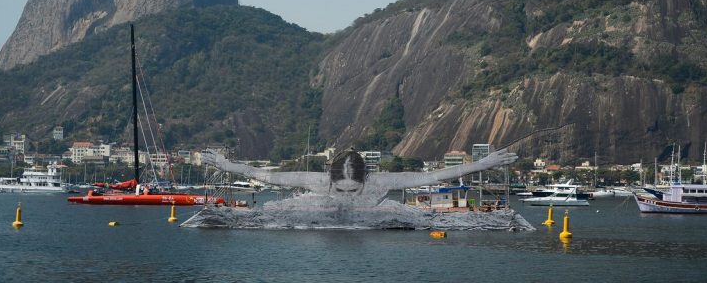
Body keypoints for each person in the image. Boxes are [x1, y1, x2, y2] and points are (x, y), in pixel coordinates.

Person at [201, 147, 518, 204]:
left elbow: (436, 176)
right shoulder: (315, 181)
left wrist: (479, 165)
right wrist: (229, 167)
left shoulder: (382, 181)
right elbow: (264, 174)